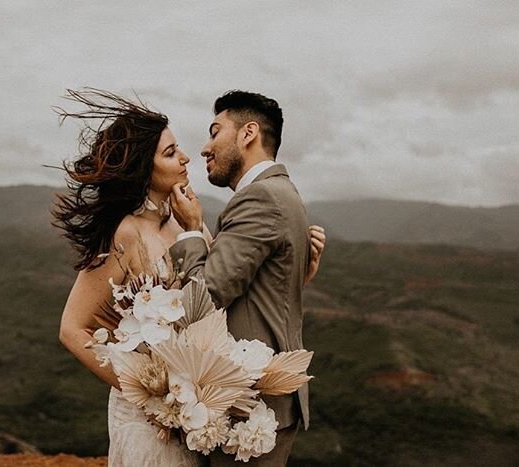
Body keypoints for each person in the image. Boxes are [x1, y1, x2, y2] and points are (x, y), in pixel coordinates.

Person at [55, 89, 325, 466]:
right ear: (143, 170)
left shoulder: (186, 227)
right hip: (155, 418)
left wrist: (296, 275)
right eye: (170, 153)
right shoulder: (125, 234)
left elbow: (217, 299)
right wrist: (146, 391)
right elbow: (72, 329)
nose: (186, 157)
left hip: (197, 416)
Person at [169, 90, 317, 466]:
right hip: (269, 405)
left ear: (248, 133)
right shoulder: (285, 193)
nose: (204, 148)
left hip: (253, 408)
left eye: (215, 131)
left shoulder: (260, 198)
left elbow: (204, 300)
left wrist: (189, 231)